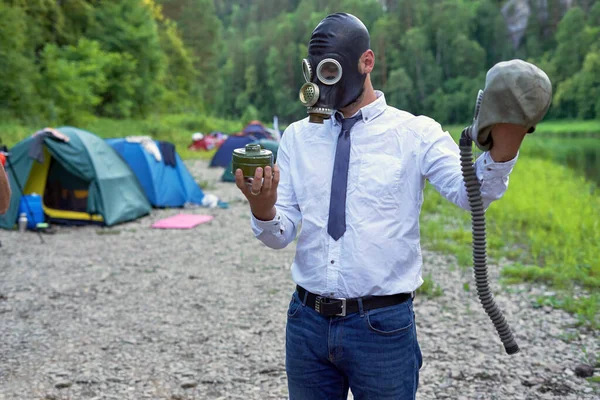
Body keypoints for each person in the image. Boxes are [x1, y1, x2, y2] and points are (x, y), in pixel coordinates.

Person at [235, 13, 551, 400]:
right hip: (306, 324)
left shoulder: (415, 133)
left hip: (382, 328)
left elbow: (473, 194)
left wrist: (508, 138)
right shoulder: (298, 137)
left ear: (366, 62)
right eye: (317, 72)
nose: (324, 83)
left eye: (332, 70)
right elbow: (279, 234)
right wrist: (263, 207)